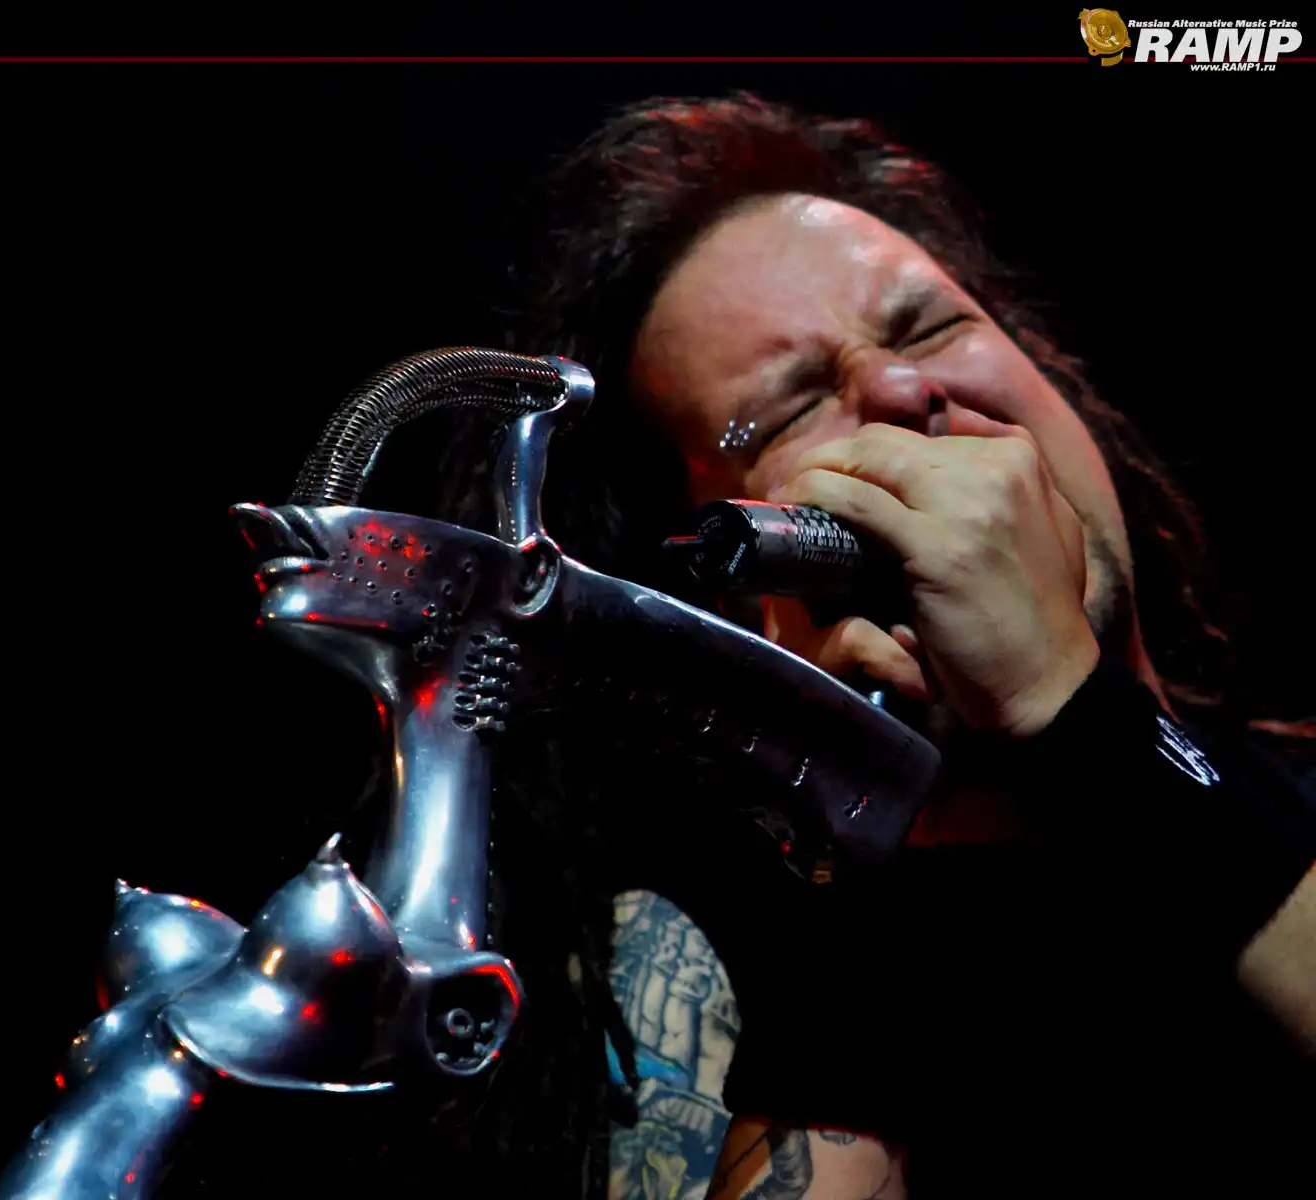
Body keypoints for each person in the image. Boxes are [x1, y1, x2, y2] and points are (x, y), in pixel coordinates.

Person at [432, 93, 1315, 1199]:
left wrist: (1080, 719)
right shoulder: (691, 968)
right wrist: (855, 832)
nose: (899, 389)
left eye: (931, 327)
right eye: (790, 406)